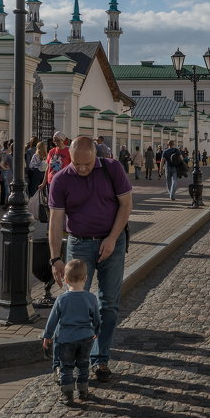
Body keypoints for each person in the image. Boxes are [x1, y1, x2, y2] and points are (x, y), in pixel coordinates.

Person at [48, 136, 133, 383]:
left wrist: (112, 238)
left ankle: (100, 359)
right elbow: (55, 221)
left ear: (95, 155)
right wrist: (55, 258)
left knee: (109, 304)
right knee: (73, 304)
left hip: (112, 243)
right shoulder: (62, 179)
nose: (82, 169)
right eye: (77, 164)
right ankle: (62, 363)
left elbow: (126, 206)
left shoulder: (112, 168)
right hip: (79, 243)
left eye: (87, 164)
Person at [42, 259, 101, 405]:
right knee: (83, 365)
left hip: (66, 339)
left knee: (66, 367)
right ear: (86, 279)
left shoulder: (62, 299)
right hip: (86, 338)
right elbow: (97, 318)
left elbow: (52, 320)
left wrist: (47, 336)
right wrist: (96, 331)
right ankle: (83, 391)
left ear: (65, 279)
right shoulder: (91, 298)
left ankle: (67, 395)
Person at [0, 140, 13, 206]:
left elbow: (0, 164)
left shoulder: (3, 153)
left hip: (6, 172)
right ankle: (9, 201)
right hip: (14, 172)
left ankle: (7, 201)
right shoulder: (18, 154)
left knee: (6, 188)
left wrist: (5, 169)